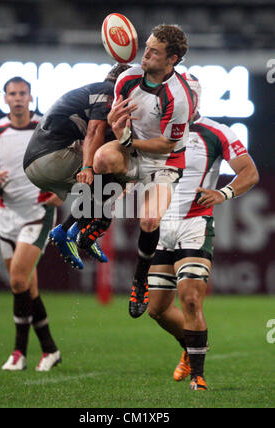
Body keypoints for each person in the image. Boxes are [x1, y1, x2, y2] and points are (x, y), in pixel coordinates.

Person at [146, 74, 259, 391]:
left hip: (195, 224)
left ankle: (198, 375)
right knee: (156, 309)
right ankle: (191, 346)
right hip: (161, 227)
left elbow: (249, 172)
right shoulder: (154, 131)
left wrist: (223, 194)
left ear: (196, 99)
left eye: (189, 95)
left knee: (191, 300)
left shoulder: (216, 132)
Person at [88, 24, 193, 319]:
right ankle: (99, 218)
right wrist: (114, 125)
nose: (145, 54)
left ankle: (139, 280)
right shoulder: (127, 78)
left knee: (148, 220)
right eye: (146, 47)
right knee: (102, 159)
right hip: (132, 150)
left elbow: (166, 145)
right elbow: (117, 125)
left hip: (165, 162)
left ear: (172, 59)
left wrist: (127, 140)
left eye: (154, 52)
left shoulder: (179, 97)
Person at [0, 76, 62, 372]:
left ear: (30, 96)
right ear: (4, 99)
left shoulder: (44, 129)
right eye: (12, 94)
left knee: (16, 281)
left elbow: (71, 161)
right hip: (6, 215)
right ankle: (50, 349)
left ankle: (18, 352)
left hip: (37, 213)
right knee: (27, 287)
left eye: (22, 93)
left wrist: (62, 191)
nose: (17, 98)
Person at [23, 64, 133, 269]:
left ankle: (77, 229)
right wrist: (87, 168)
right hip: (50, 157)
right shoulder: (108, 91)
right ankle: (73, 230)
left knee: (109, 175)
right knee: (114, 162)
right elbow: (94, 132)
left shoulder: (93, 92)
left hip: (40, 161)